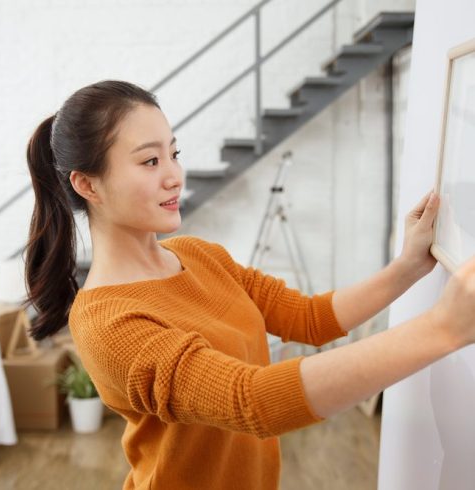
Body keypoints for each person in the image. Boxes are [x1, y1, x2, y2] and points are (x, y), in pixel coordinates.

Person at [23, 79, 475, 490]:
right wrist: (441, 329)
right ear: (88, 185)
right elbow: (251, 401)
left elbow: (309, 318)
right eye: (150, 160)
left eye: (174, 154)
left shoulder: (200, 255)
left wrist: (407, 267)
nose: (174, 175)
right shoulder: (107, 322)